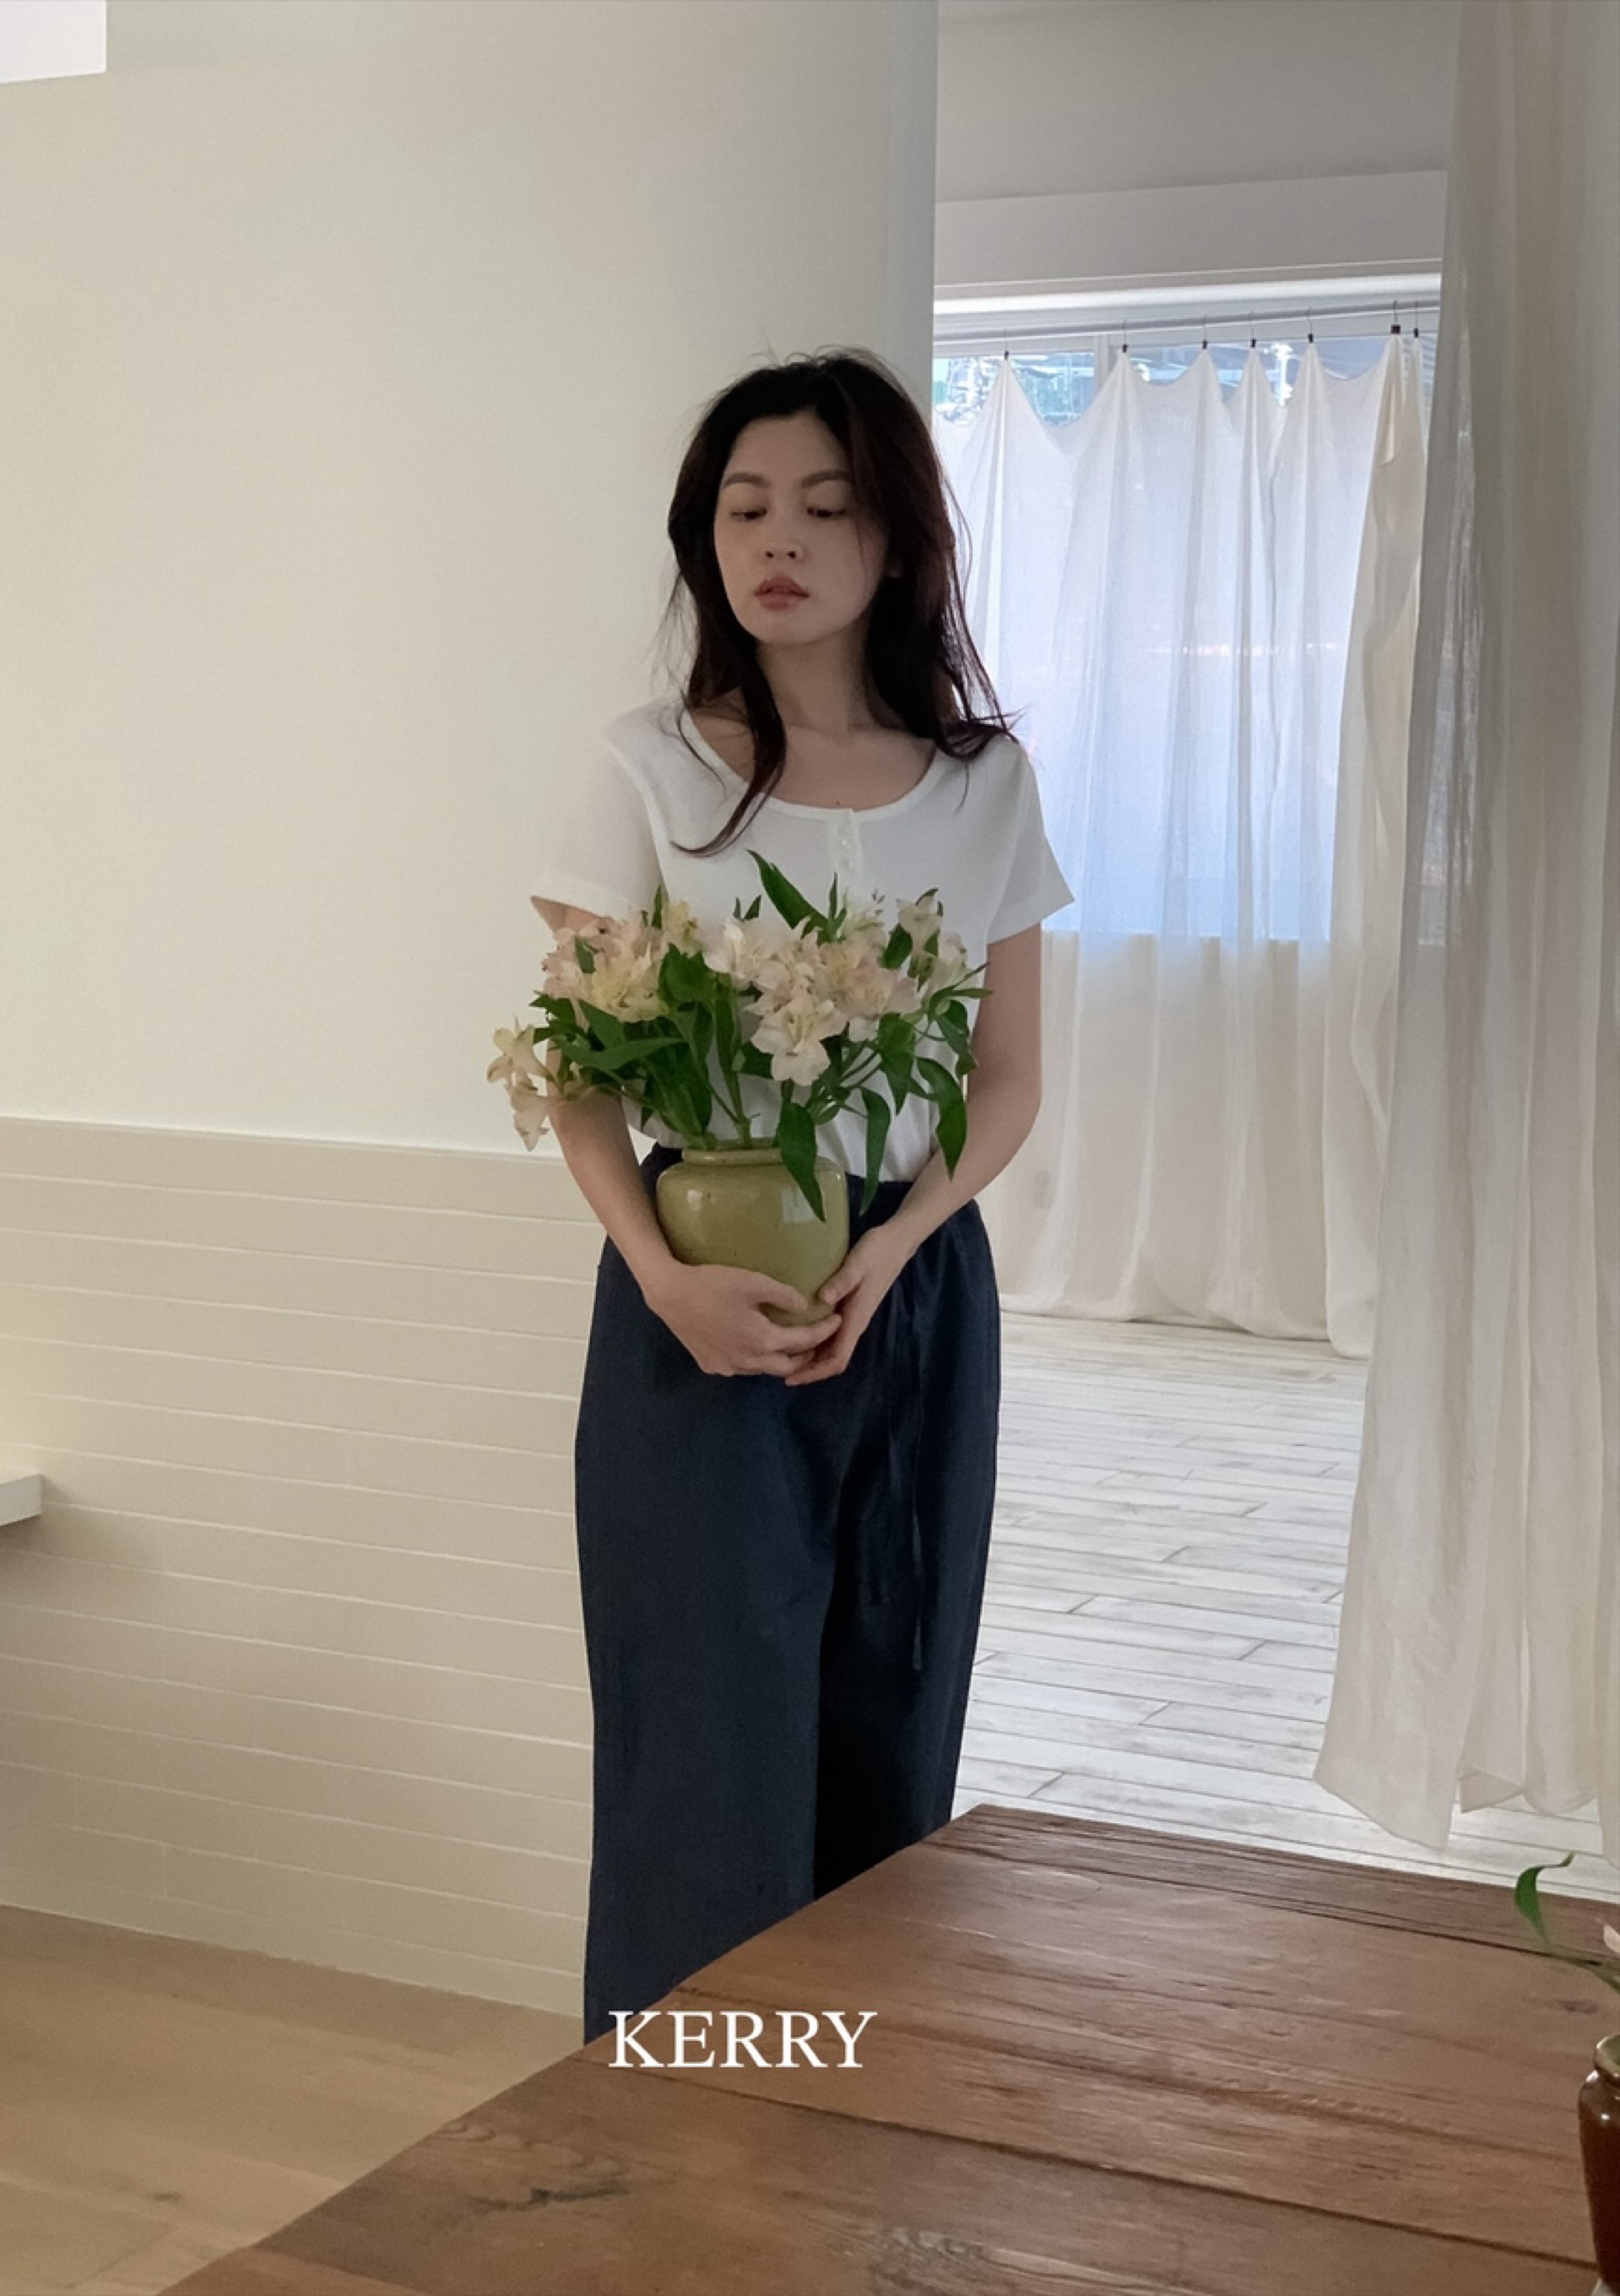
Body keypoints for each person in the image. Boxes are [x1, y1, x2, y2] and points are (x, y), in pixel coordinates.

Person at [528, 349, 1074, 2046]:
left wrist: (901, 1243)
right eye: (744, 507)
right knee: (704, 1737)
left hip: (911, 1290)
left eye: (826, 508)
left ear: (896, 542)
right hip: (697, 1290)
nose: (779, 540)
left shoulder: (982, 782)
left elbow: (1006, 1075)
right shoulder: (649, 768)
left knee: (892, 1710)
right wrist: (659, 1273)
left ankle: (851, 2108)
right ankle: (687, 2130)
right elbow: (579, 1071)